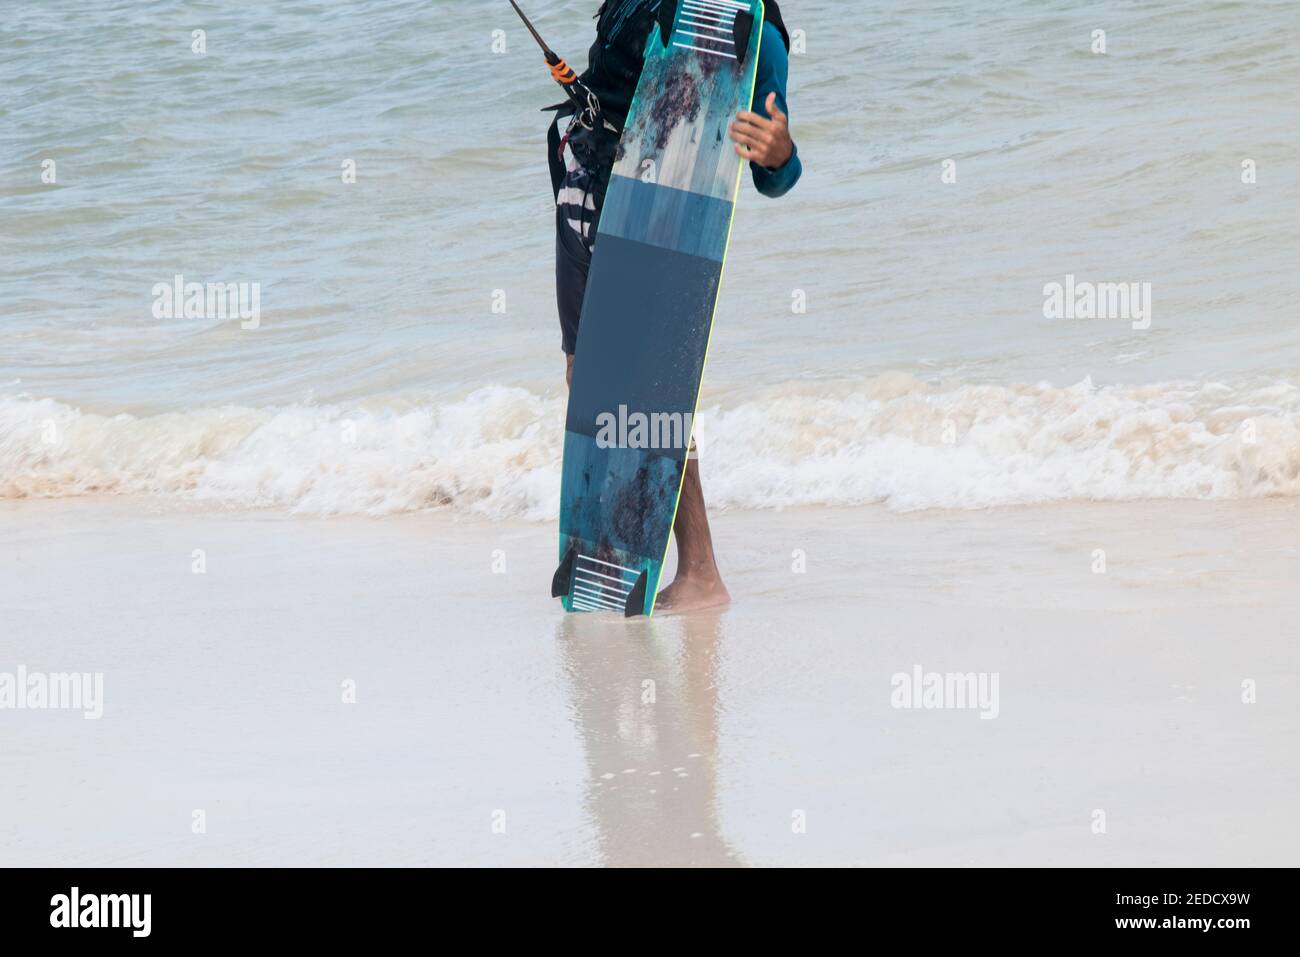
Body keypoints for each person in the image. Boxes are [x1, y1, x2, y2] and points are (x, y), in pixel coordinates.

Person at [550, 0, 802, 612]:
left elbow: (778, 171)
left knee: (649, 387)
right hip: (586, 188)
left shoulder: (750, 26)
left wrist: (776, 152)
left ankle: (701, 571)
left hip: (657, 206)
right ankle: (616, 543)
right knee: (586, 376)